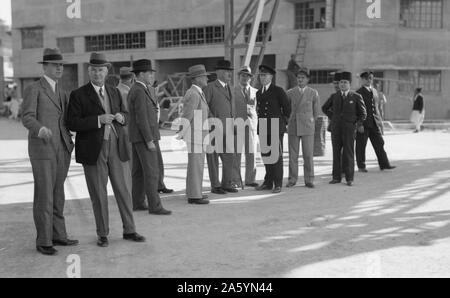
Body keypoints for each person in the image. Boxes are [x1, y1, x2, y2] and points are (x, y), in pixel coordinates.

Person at [67, 53, 145, 248]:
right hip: (94, 151)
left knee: (124, 190)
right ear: (88, 71)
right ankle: (102, 234)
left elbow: (127, 114)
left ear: (107, 72)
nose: (97, 73)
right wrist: (97, 120)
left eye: (100, 69)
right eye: (93, 69)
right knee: (98, 194)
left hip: (117, 148)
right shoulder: (78, 94)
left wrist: (121, 116)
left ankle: (130, 230)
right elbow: (72, 122)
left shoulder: (114, 91)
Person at [22, 48, 78, 256]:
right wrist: (39, 129)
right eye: (55, 65)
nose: (59, 68)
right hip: (43, 149)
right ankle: (44, 241)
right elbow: (26, 116)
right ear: (45, 66)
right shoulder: (34, 88)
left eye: (61, 65)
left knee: (58, 194)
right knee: (44, 195)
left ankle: (58, 235)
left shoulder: (62, 92)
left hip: (62, 148)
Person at [127, 59, 172, 215]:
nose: (152, 75)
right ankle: (155, 206)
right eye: (149, 73)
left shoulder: (141, 89)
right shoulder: (139, 90)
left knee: (138, 172)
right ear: (140, 74)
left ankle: (138, 202)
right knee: (152, 172)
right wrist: (149, 140)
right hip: (144, 137)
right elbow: (141, 118)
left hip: (138, 137)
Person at [322, 71, 366, 186]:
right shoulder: (334, 96)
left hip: (349, 129)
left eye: (345, 82)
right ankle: (336, 177)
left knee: (349, 153)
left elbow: (363, 114)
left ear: (349, 84)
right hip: (336, 129)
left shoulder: (356, 96)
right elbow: (324, 108)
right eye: (341, 82)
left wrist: (356, 124)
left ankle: (349, 178)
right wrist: (334, 117)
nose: (342, 84)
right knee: (336, 153)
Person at [255, 65, 291, 194]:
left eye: (264, 75)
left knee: (275, 156)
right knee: (266, 156)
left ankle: (278, 183)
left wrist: (283, 123)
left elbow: (287, 109)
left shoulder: (278, 91)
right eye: (261, 75)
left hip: (275, 126)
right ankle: (268, 182)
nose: (262, 77)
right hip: (263, 126)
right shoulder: (259, 93)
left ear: (271, 76)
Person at [178, 65, 211, 205]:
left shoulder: (197, 92)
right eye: (204, 76)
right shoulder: (193, 93)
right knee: (195, 165)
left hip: (199, 135)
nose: (206, 78)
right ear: (197, 79)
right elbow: (187, 115)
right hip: (195, 135)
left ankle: (194, 192)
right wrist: (182, 132)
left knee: (197, 165)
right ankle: (194, 195)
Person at [204, 60, 238, 194]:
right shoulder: (210, 87)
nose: (229, 74)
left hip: (229, 128)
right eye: (226, 71)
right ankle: (215, 185)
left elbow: (231, 107)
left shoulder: (230, 87)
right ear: (218, 72)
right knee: (213, 158)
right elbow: (205, 106)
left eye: (230, 71)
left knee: (229, 157)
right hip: (214, 128)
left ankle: (227, 183)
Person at [286, 68, 320, 189]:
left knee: (308, 154)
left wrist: (310, 121)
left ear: (307, 79)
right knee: (293, 155)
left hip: (307, 126)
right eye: (298, 78)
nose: (300, 80)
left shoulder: (313, 93)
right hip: (293, 125)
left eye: (303, 78)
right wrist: (288, 120)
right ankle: (292, 179)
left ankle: (309, 179)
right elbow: (286, 109)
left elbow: (316, 112)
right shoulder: (290, 92)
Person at [356, 72, 396, 173]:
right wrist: (359, 124)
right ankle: (361, 166)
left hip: (374, 123)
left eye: (370, 78)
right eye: (366, 78)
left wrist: (380, 122)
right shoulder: (358, 93)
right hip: (363, 124)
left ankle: (384, 164)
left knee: (379, 143)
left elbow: (377, 108)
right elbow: (356, 110)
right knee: (361, 145)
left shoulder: (374, 91)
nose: (369, 80)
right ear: (362, 79)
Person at [233, 66, 259, 188]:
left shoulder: (255, 92)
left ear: (250, 78)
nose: (245, 78)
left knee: (251, 153)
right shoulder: (232, 91)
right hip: (237, 124)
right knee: (237, 153)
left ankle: (250, 179)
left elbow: (257, 109)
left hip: (251, 125)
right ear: (239, 77)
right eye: (243, 75)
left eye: (247, 76)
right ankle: (236, 180)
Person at [116, 67, 134, 194]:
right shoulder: (126, 93)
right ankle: (131, 192)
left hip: (122, 132)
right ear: (132, 78)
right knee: (130, 165)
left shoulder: (117, 90)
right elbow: (130, 114)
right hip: (128, 132)